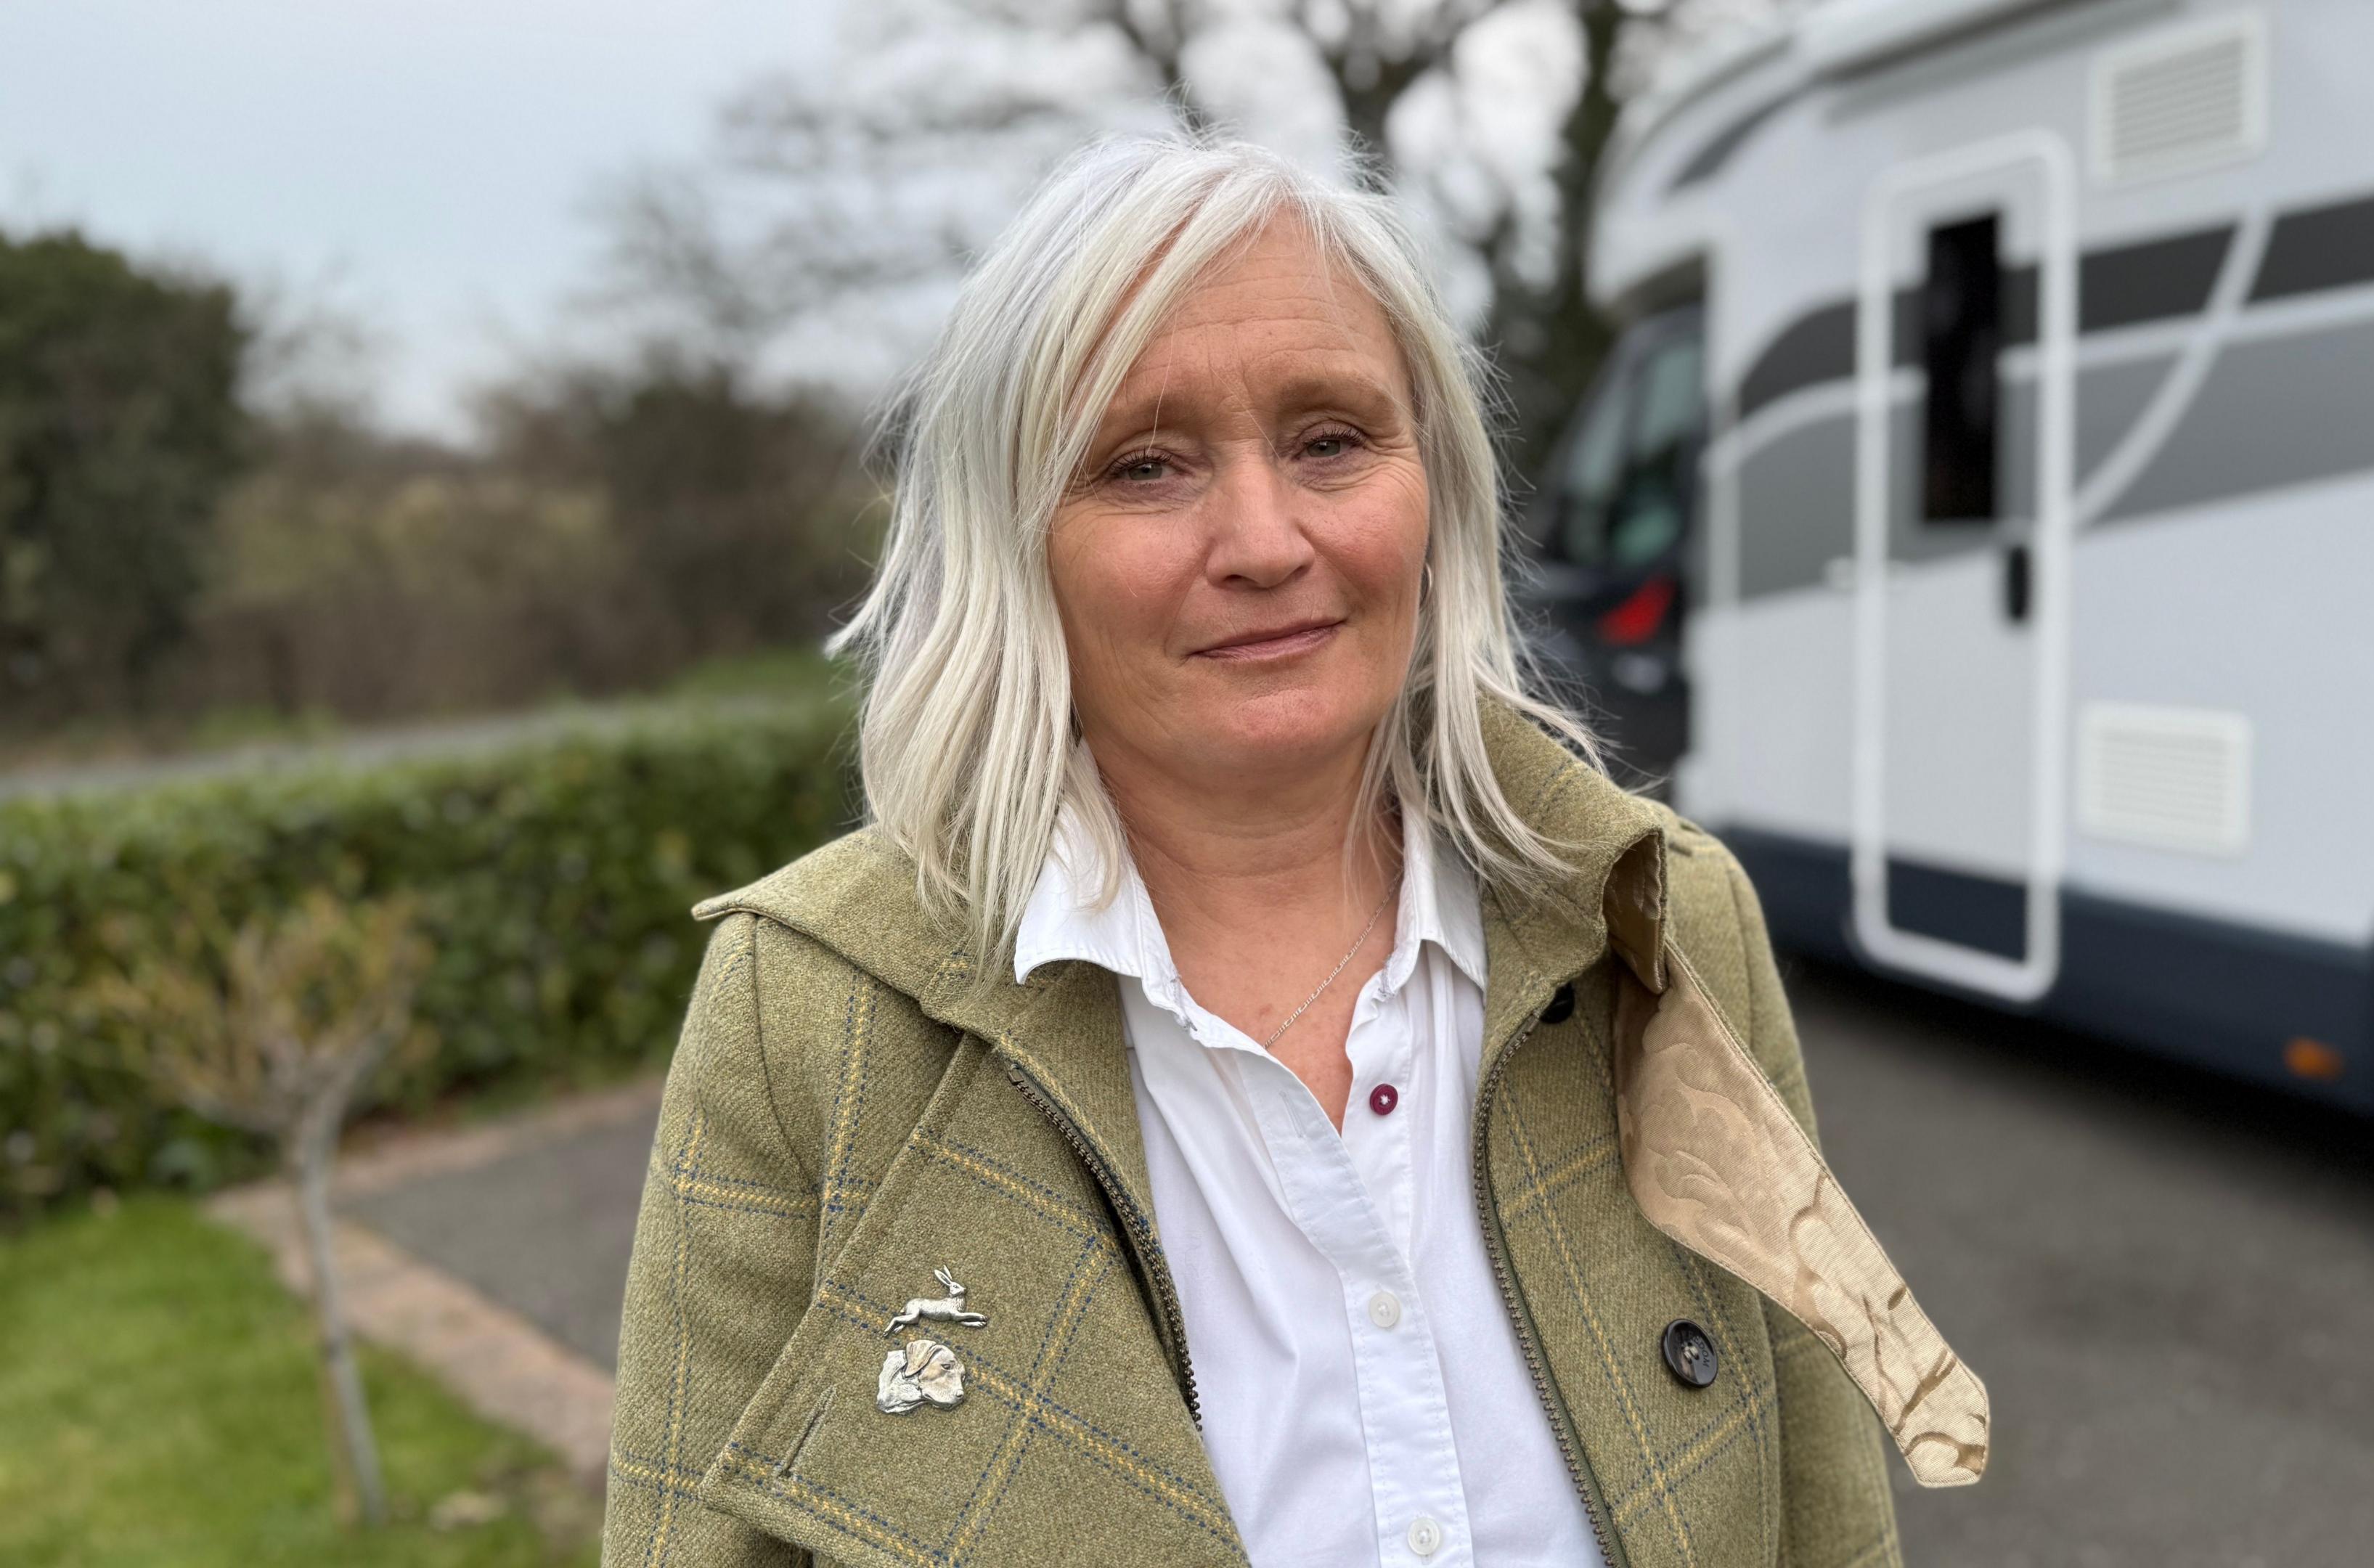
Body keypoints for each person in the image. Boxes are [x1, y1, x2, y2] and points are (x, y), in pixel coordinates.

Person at [601, 132, 1985, 1568]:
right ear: (1014, 541)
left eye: (1331, 439)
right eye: (1144, 464)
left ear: (1436, 486)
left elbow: (1826, 1514)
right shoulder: (808, 1015)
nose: (1264, 540)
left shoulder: (1665, 920)